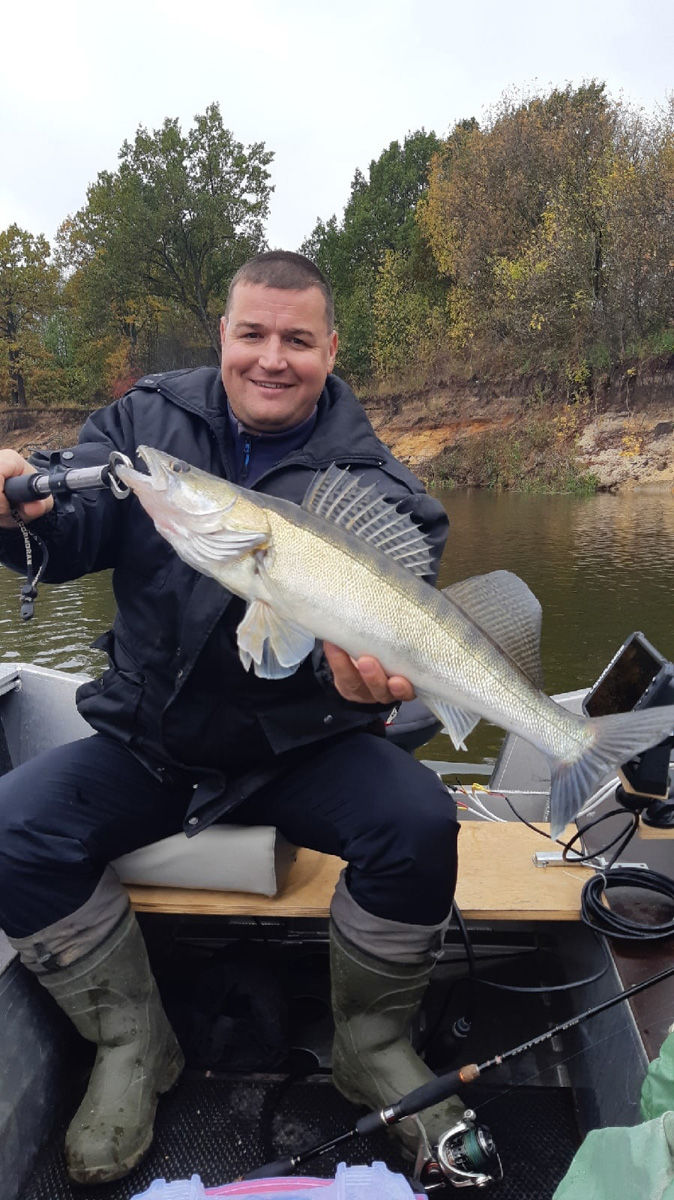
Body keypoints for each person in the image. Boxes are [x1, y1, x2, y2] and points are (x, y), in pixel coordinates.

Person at [0, 252, 462, 1185]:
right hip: (152, 741)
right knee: (13, 827)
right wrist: (20, 511)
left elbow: (395, 640)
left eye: (297, 339)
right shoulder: (144, 425)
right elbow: (72, 519)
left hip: (303, 748)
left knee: (419, 824)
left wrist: (367, 685)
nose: (271, 358)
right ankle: (133, 1044)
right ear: (224, 336)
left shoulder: (376, 481)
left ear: (331, 349)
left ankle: (370, 1046)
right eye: (252, 333)